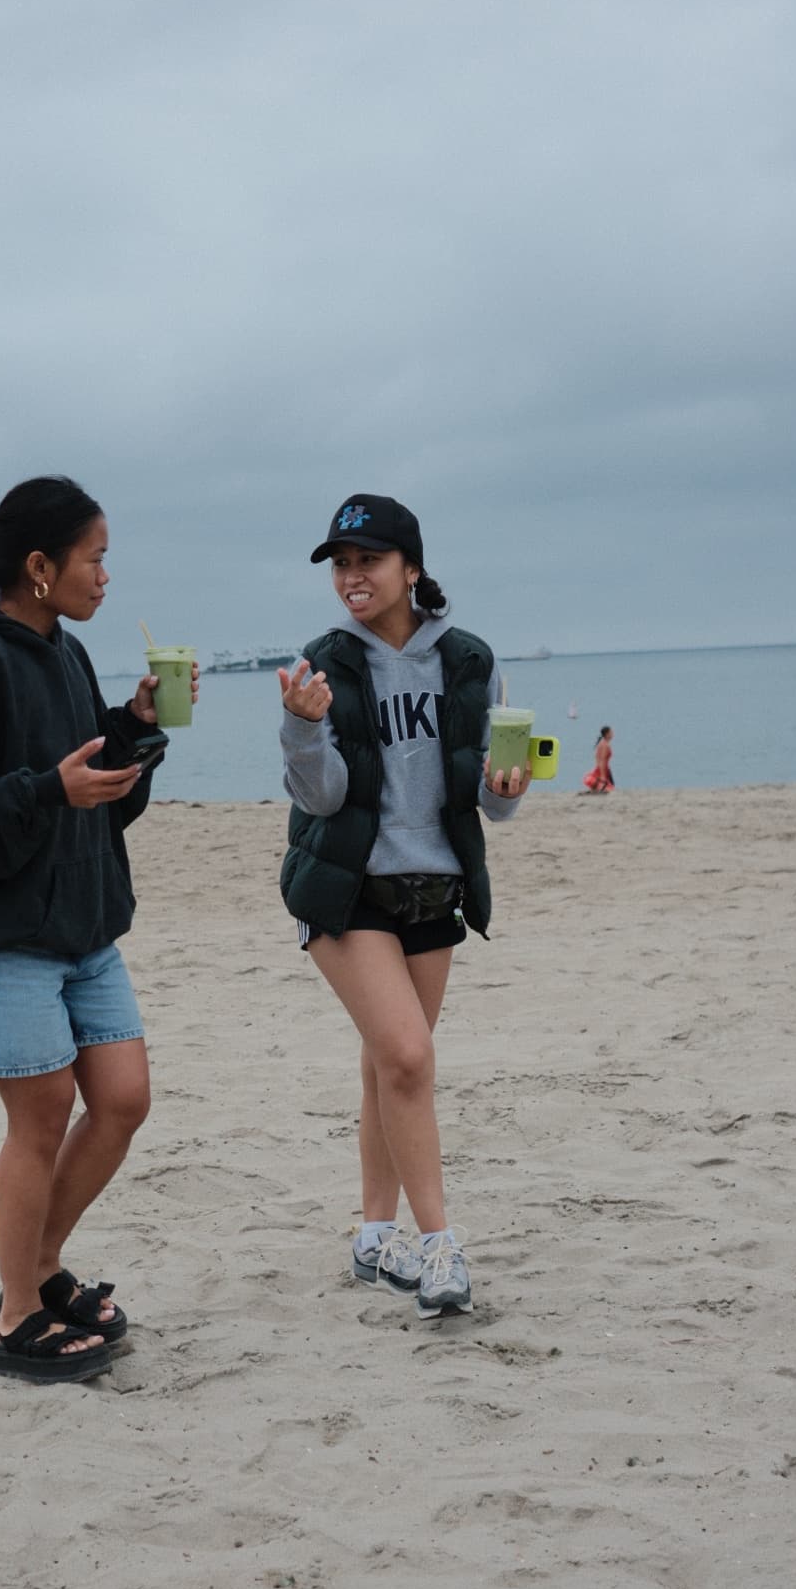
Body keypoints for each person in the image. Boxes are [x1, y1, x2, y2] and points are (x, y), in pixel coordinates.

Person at [0, 475, 197, 1384]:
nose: (106, 576)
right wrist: (46, 791)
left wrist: (134, 730)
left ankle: (41, 1265)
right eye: (94, 558)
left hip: (78, 926)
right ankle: (17, 1315)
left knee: (125, 1097)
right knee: (41, 1116)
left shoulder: (62, 650)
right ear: (37, 565)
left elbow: (80, 783)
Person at [277, 494, 529, 1320]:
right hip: (346, 888)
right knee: (412, 1060)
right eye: (342, 565)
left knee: (389, 1066)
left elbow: (492, 805)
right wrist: (302, 727)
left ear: (410, 570)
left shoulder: (469, 660)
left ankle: (372, 1232)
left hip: (434, 887)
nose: (352, 578)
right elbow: (321, 798)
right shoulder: (325, 662)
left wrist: (505, 786)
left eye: (368, 563)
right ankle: (439, 1245)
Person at [581, 725, 615, 793]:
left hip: (602, 769)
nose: (613, 734)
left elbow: (597, 757)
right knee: (608, 789)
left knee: (604, 788)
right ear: (607, 734)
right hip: (603, 770)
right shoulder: (605, 745)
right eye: (611, 732)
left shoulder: (601, 743)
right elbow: (602, 760)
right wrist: (603, 775)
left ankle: (592, 792)